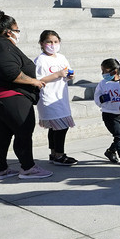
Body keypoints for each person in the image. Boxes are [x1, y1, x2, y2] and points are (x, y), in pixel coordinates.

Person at [0, 11, 53, 181]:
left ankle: (0, 169)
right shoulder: (1, 46)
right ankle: (28, 168)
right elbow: (11, 73)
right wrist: (33, 81)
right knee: (23, 132)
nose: (18, 33)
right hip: (9, 96)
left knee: (3, 133)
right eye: (17, 30)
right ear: (8, 31)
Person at [33, 30, 77, 166]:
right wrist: (57, 74)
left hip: (60, 96)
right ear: (42, 43)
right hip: (48, 97)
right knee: (61, 127)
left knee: (55, 128)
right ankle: (59, 154)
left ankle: (53, 153)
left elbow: (67, 71)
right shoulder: (40, 60)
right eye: (49, 42)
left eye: (55, 42)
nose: (53, 45)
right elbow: (38, 79)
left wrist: (70, 75)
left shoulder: (61, 57)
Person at [95, 58, 120, 165]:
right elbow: (97, 96)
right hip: (109, 115)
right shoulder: (103, 83)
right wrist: (101, 99)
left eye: (104, 71)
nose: (103, 74)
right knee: (119, 136)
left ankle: (110, 151)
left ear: (114, 71)